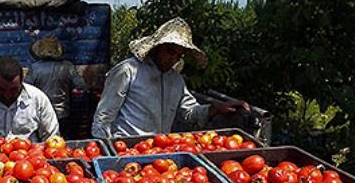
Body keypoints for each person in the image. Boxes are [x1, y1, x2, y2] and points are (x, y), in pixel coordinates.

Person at [91, 17, 249, 139]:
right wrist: (106, 151)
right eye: (170, 51)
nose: (173, 59)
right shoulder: (128, 71)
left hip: (160, 150)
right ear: (157, 47)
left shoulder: (176, 80)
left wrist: (216, 108)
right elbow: (104, 116)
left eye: (179, 55)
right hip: (127, 149)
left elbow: (189, 113)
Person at [24, 35, 87, 138]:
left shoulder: (34, 68)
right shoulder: (68, 67)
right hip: (62, 114)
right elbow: (81, 85)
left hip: (41, 114)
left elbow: (26, 89)